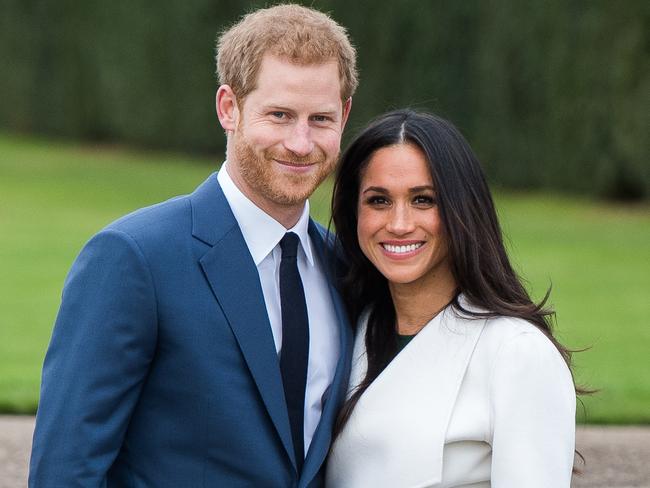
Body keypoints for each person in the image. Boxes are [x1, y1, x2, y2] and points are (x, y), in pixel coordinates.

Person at [29, 5, 357, 487]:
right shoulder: (134, 257)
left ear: (345, 115)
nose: (301, 143)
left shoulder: (345, 267)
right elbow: (65, 471)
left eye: (321, 118)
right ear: (229, 107)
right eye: (280, 115)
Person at [325, 110, 576, 487]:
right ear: (354, 212)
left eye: (424, 200)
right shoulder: (346, 326)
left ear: (463, 209)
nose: (399, 223)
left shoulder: (516, 352)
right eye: (378, 200)